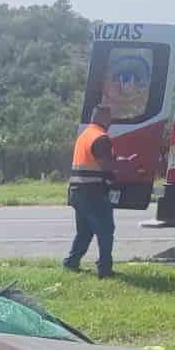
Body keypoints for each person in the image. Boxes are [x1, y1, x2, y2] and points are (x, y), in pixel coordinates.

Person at [64, 105, 117, 278]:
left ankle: (71, 263)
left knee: (85, 231)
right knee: (105, 230)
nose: (111, 122)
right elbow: (105, 164)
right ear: (103, 118)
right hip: (92, 192)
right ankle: (105, 269)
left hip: (77, 191)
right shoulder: (101, 138)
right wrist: (122, 164)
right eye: (109, 118)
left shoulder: (85, 135)